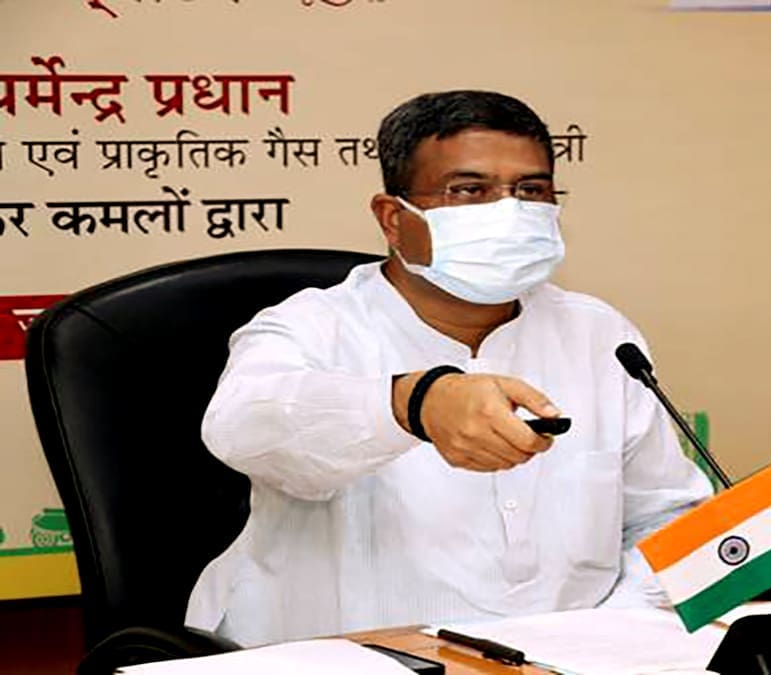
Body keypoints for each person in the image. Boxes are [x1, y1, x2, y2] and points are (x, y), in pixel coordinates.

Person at [185, 90, 713, 646]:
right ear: (393, 218)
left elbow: (667, 517)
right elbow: (241, 426)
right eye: (469, 191)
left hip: (568, 657)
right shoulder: (310, 327)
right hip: (348, 655)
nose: (508, 211)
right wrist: (413, 404)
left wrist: (611, 633)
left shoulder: (599, 335)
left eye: (530, 191)